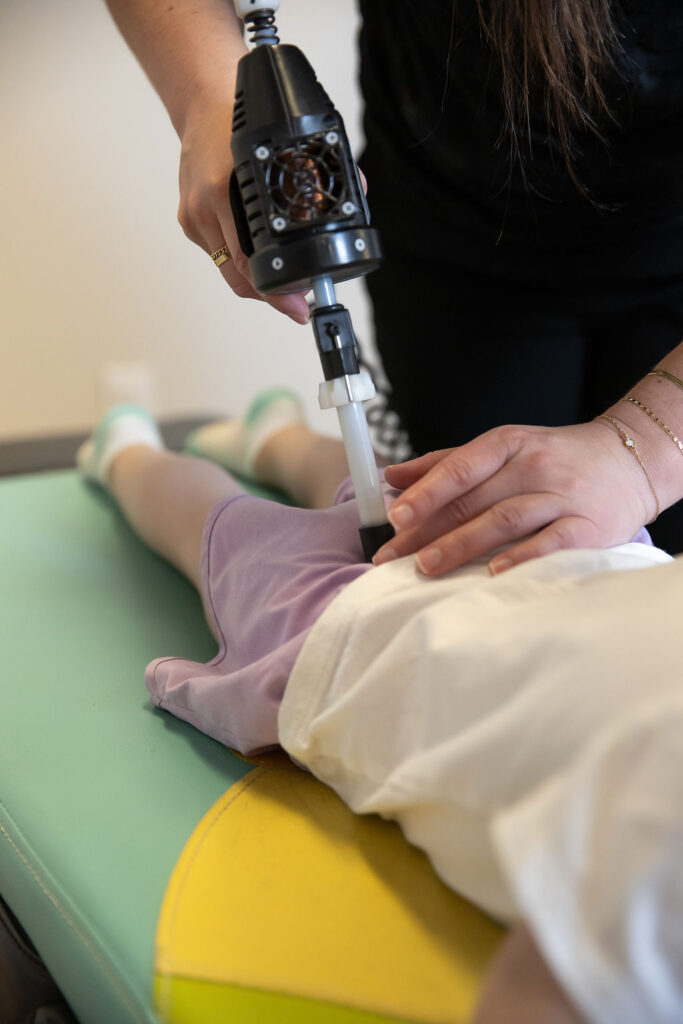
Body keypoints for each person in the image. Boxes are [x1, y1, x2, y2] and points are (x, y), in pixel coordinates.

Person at [76, 389, 680, 1024]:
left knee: (377, 483)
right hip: (366, 618)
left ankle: (267, 437)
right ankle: (128, 452)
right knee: (217, 523)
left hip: (574, 543)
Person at [103, 0, 683, 558]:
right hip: (456, 219)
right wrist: (209, 93)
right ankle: (257, 438)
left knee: (242, 535)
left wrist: (642, 456)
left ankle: (140, 453)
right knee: (408, 495)